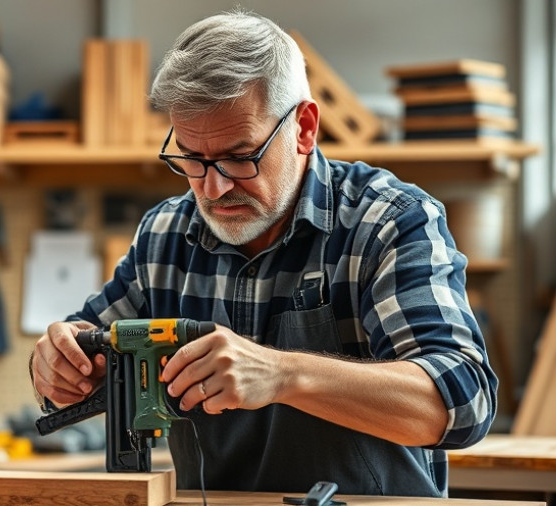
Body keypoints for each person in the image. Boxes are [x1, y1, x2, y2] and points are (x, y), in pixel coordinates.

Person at [30, 9, 497, 497]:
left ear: (304, 128)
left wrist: (284, 374)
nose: (213, 187)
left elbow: (464, 402)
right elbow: (89, 345)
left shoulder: (387, 221)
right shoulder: (165, 234)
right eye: (192, 158)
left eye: (239, 156)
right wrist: (58, 366)